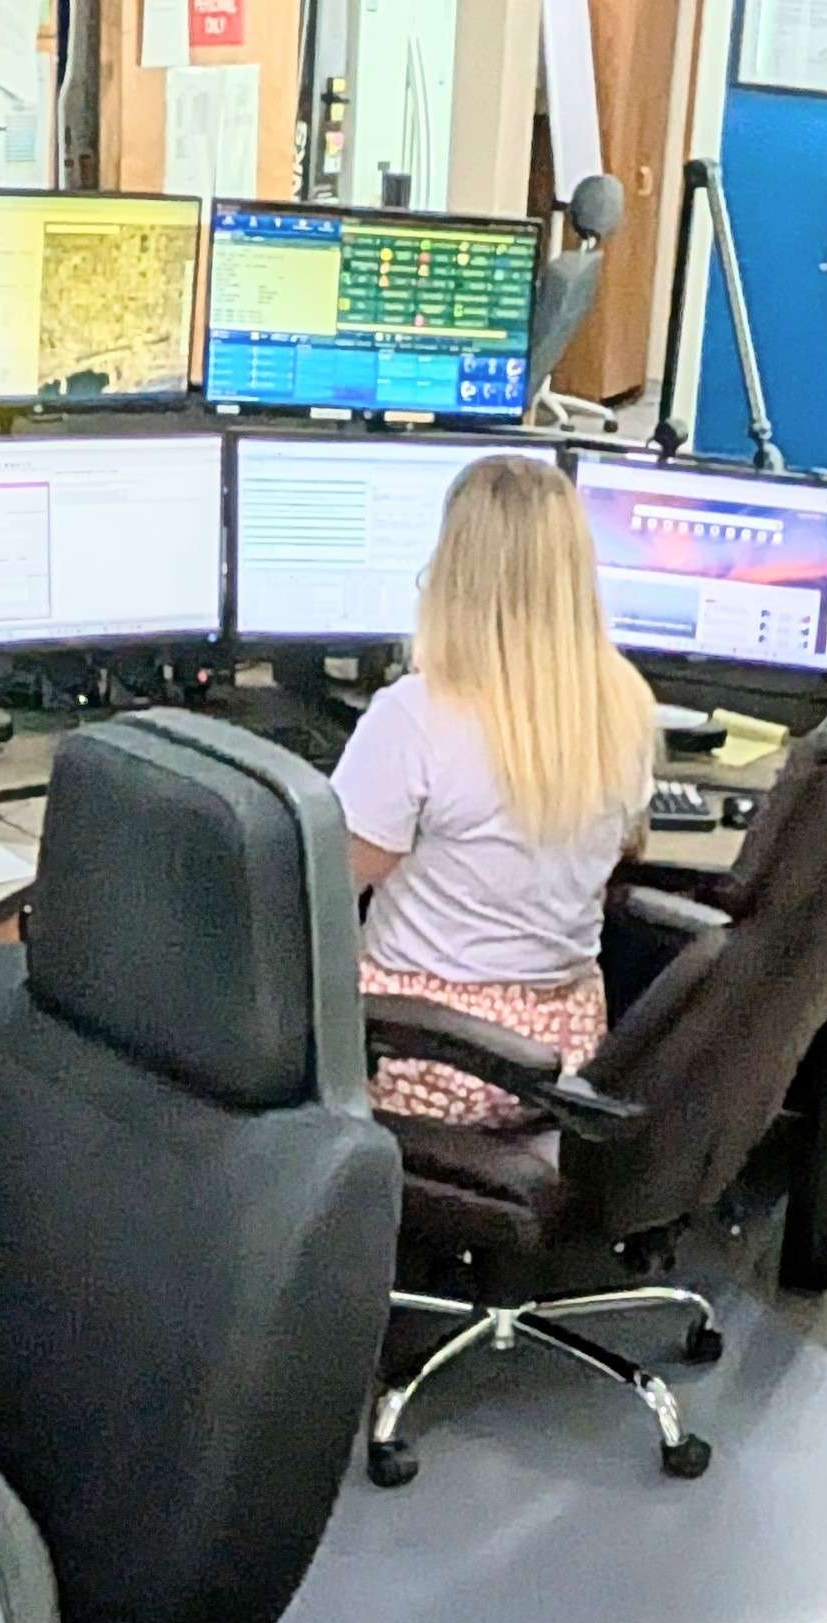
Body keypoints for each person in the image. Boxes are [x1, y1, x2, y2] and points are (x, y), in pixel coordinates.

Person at [337, 450, 659, 1131]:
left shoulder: (417, 715)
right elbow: (629, 843)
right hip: (556, 1060)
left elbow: (320, 884)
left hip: (421, 1052)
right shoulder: (625, 706)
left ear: (454, 575)